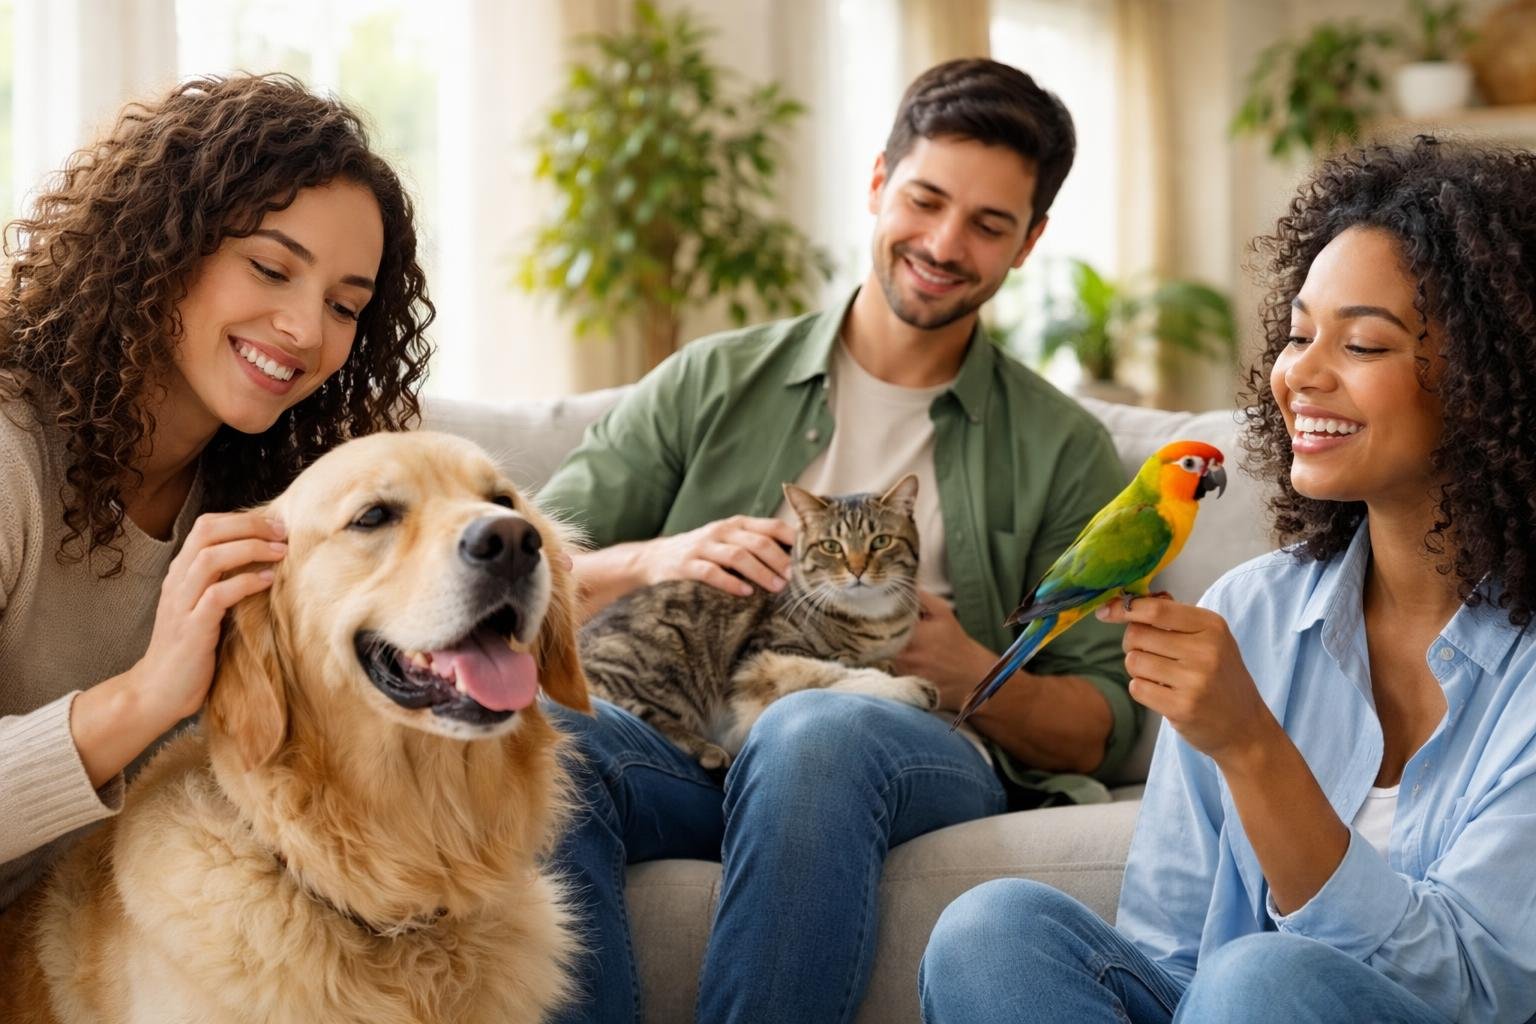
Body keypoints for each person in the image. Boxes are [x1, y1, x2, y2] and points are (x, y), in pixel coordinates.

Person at [536, 59, 1134, 1023]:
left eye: (988, 224)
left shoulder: (1066, 449)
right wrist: (653, 558)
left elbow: (1110, 721)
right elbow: (524, 556)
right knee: (553, 733)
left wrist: (971, 668)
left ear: (1030, 243)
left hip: (907, 752)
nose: (943, 244)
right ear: (876, 183)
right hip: (704, 747)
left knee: (816, 728)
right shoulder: (715, 379)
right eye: (925, 199)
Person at [918, 136, 1536, 1024]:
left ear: (1485, 382)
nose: (1301, 376)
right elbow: (1169, 954)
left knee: (1262, 978)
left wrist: (1252, 746)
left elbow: (1480, 990)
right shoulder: (1247, 611)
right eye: (1296, 334)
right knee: (992, 931)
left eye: (1360, 342)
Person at [0, 74, 434, 913]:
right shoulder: (10, 460)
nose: (306, 332)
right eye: (271, 268)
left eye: (345, 306)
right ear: (160, 250)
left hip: (109, 936)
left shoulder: (276, 499)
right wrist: (147, 694)